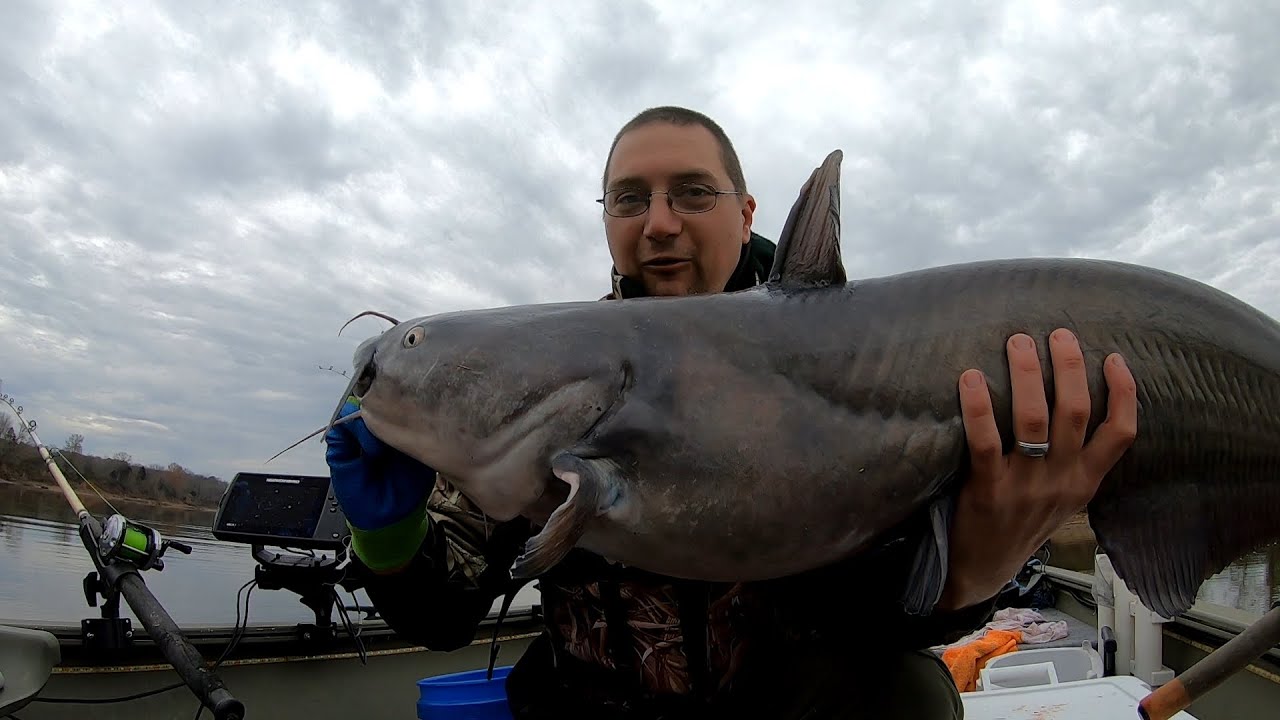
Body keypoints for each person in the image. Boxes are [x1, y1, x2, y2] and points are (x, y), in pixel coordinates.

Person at [324, 106, 1139, 719]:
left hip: (791, 707)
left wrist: (981, 566)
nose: (660, 223)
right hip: (590, 706)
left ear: (747, 213)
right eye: (629, 199)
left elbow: (885, 623)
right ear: (608, 221)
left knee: (908, 696)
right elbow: (442, 614)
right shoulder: (537, 391)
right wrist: (389, 536)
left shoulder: (871, 367)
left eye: (693, 193)